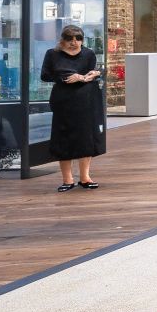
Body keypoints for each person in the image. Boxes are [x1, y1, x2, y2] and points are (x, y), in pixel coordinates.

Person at [40, 25, 105, 192]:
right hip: (64, 101)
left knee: (86, 138)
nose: (74, 43)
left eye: (78, 39)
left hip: (86, 100)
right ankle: (67, 180)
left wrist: (93, 74)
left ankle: (85, 177)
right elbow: (45, 75)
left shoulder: (88, 53)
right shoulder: (52, 54)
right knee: (64, 138)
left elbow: (93, 71)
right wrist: (67, 77)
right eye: (70, 39)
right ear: (63, 40)